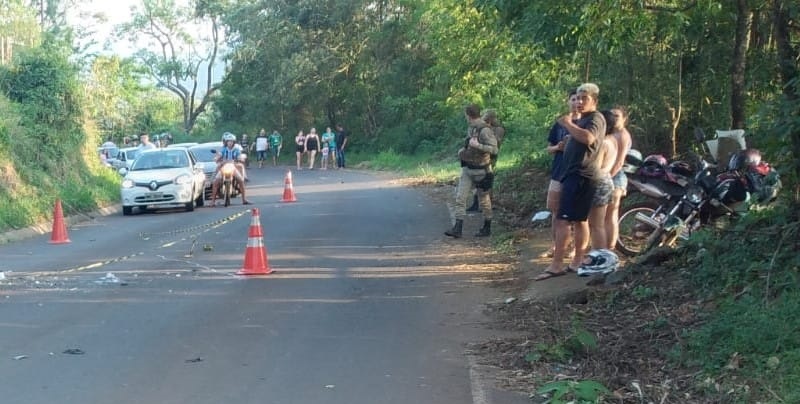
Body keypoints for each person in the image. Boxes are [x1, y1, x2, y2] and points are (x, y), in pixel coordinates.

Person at [535, 83, 606, 281]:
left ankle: (558, 264)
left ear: (594, 100)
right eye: (578, 97)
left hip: (582, 176)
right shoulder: (582, 119)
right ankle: (575, 261)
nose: (580, 102)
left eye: (585, 98)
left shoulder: (595, 118)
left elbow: (589, 138)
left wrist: (568, 124)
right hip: (572, 174)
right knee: (576, 219)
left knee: (563, 219)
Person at [444, 103, 498, 238]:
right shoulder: (472, 128)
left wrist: (478, 145)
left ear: (468, 115)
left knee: (484, 200)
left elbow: (494, 149)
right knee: (460, 197)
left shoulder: (485, 130)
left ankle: (487, 227)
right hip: (468, 168)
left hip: (482, 170)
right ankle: (458, 228)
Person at [539, 89, 580, 258]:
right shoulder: (560, 124)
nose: (576, 102)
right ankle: (555, 246)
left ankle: (576, 248)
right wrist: (558, 147)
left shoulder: (587, 123)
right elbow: (548, 147)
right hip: (558, 171)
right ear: (568, 101)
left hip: (577, 172)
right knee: (555, 210)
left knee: (577, 214)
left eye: (579, 98)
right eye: (573, 99)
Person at [586, 110, 618, 253]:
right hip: (607, 181)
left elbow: (595, 166)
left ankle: (599, 255)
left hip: (599, 182)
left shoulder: (603, 143)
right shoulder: (613, 140)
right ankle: (599, 253)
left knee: (596, 224)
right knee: (599, 223)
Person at [604, 106, 632, 250]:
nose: (614, 118)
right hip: (608, 175)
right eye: (612, 115)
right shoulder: (611, 133)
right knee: (604, 216)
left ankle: (610, 248)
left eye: (617, 116)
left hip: (615, 177)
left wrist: (607, 178)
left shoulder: (623, 135)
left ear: (624, 119)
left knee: (611, 215)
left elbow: (620, 162)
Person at [466, 109, 505, 212]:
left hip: (491, 156)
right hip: (481, 155)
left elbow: (495, 143)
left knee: (487, 179)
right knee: (478, 179)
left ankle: (487, 204)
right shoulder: (483, 128)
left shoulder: (498, 129)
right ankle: (477, 203)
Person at [210, 132, 250, 206]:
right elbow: (219, 155)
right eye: (228, 141)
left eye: (231, 141)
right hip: (224, 167)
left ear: (234, 142)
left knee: (241, 180)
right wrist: (217, 158)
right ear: (226, 142)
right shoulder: (223, 150)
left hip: (233, 167)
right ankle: (213, 201)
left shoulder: (236, 150)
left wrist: (240, 158)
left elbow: (240, 156)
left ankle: (244, 199)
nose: (230, 143)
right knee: (215, 181)